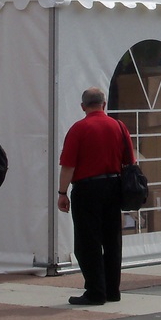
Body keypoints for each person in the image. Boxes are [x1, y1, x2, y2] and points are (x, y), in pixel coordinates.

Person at [58, 87, 135, 306]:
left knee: (87, 242)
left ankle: (95, 290)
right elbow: (130, 161)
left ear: (83, 106)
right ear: (104, 103)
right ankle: (112, 289)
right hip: (113, 185)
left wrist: (62, 193)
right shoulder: (119, 126)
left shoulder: (79, 129)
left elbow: (68, 166)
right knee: (112, 240)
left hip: (87, 188)